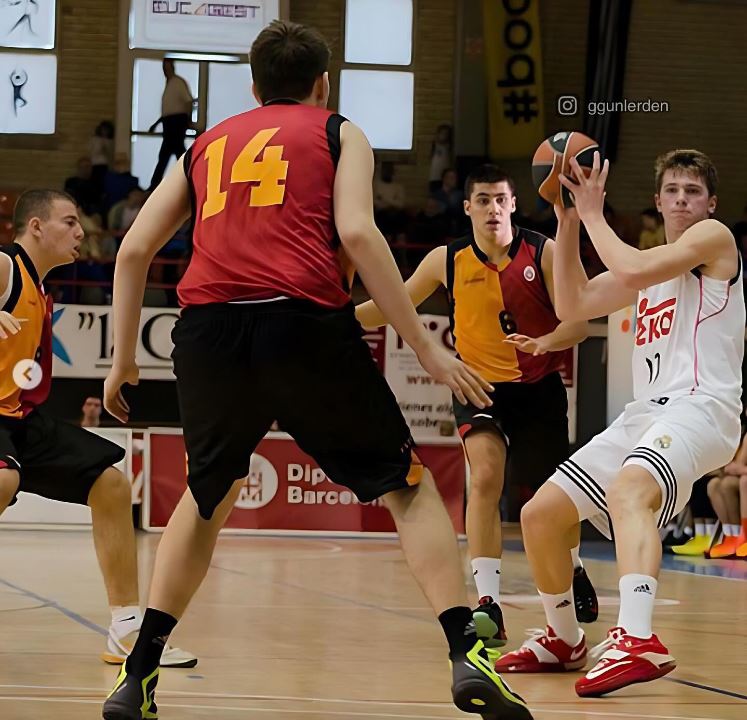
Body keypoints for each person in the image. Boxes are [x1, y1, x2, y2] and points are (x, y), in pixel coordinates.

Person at [101, 20, 531, 720]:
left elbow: (131, 252)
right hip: (301, 323)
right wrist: (426, 347)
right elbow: (357, 233)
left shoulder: (206, 144)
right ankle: (465, 653)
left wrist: (122, 360)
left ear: (253, 86)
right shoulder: (338, 131)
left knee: (205, 498)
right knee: (408, 487)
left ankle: (138, 673)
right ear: (322, 83)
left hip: (209, 333)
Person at [496, 149, 743, 697]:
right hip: (647, 413)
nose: (682, 199)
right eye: (672, 190)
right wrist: (566, 220)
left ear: (711, 204)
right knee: (541, 515)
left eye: (693, 191)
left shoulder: (714, 240)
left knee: (630, 489)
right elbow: (573, 304)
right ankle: (564, 638)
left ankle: (638, 638)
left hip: (702, 406)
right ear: (658, 201)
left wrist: (591, 213)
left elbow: (628, 268)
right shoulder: (647, 266)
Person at [356, 163, 594, 655]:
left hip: (538, 388)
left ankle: (573, 567)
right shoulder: (446, 260)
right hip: (478, 387)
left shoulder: (543, 252)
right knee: (484, 478)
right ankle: (489, 603)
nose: (492, 209)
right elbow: (392, 303)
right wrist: (332, 318)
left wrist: (545, 341)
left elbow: (579, 323)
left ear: (514, 205)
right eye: (483, 200)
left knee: (552, 497)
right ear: (467, 207)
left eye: (500, 199)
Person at [0, 190, 195, 669]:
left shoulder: (40, 289)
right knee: (3, 479)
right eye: (69, 221)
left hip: (18, 418)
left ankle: (126, 629)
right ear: (35, 227)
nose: (81, 232)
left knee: (111, 485)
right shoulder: (6, 267)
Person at [148, 59, 195, 190]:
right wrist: (156, 124)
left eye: (167, 68)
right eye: (164, 68)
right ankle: (189, 179)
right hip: (170, 121)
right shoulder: (170, 84)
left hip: (176, 122)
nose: (166, 71)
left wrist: (188, 120)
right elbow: (168, 109)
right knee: (174, 151)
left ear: (172, 68)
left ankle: (155, 184)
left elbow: (187, 102)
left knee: (169, 152)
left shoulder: (177, 83)